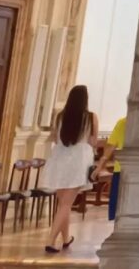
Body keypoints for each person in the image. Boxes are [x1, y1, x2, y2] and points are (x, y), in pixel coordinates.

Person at [45, 86, 97, 254]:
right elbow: (93, 141)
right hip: (79, 160)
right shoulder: (90, 117)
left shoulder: (61, 116)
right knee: (67, 204)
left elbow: (54, 137)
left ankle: (66, 239)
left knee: (63, 204)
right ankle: (50, 240)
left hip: (60, 158)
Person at [103, 116, 127, 222]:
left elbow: (111, 147)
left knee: (118, 207)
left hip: (121, 169)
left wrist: (100, 166)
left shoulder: (123, 122)